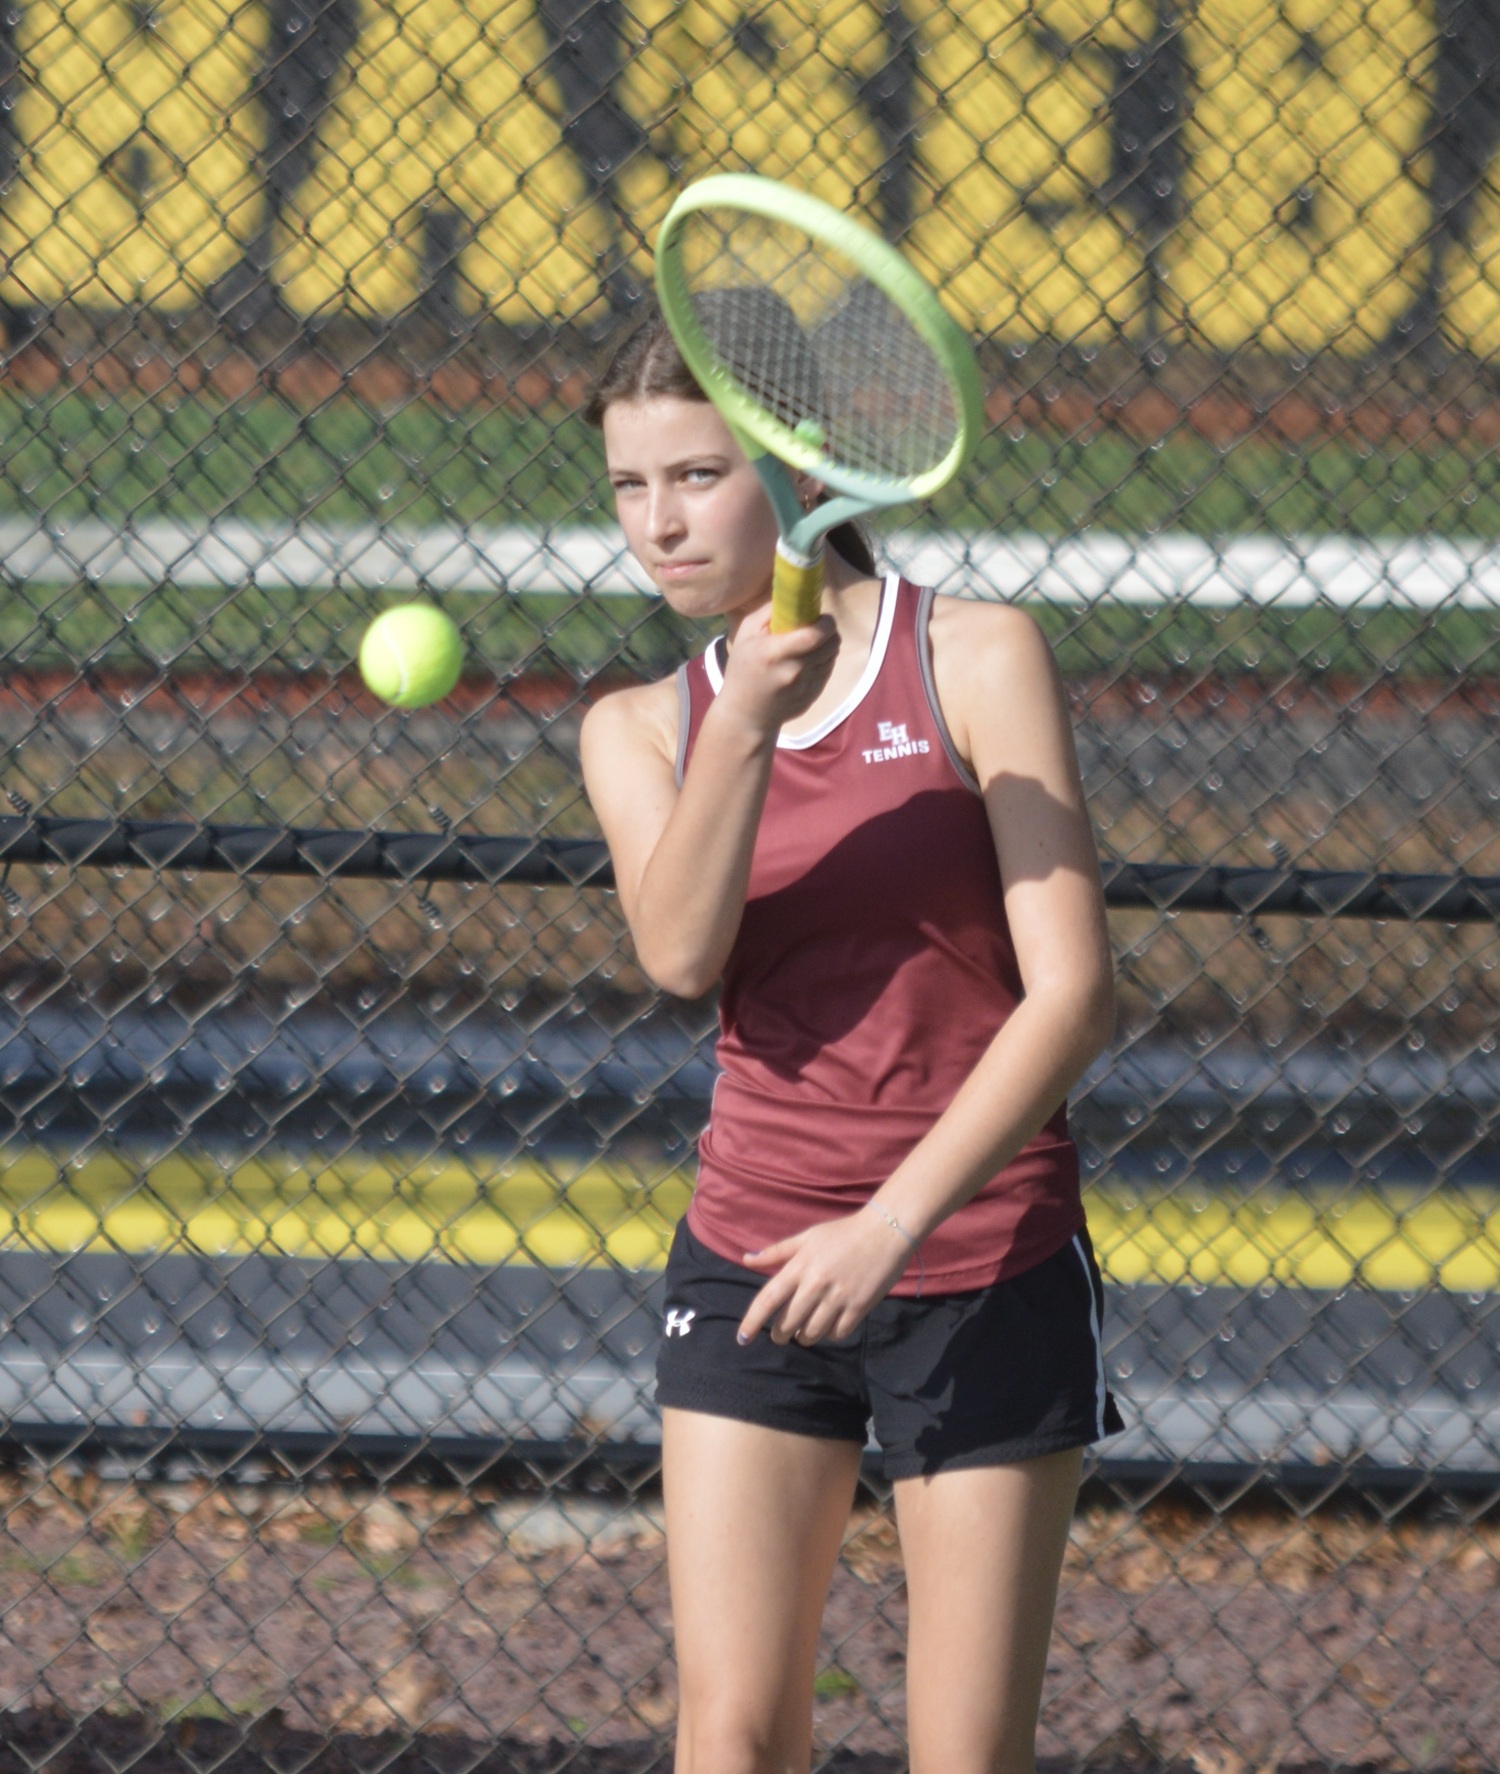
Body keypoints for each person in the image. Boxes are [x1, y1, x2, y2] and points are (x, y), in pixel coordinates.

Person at [579, 311, 1122, 1774]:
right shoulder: (641, 724)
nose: (661, 520)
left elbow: (1073, 992)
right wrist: (745, 723)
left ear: (802, 469)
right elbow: (681, 952)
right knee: (733, 1738)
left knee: (963, 1755)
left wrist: (893, 1222)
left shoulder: (977, 655)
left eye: (697, 474)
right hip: (749, 1255)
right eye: (631, 487)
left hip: (975, 1257)